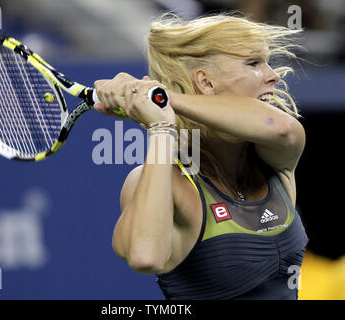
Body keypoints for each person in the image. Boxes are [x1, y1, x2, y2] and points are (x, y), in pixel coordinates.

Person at [93, 12, 308, 300]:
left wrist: (164, 97)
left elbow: (279, 126)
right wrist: (160, 126)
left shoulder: (275, 155)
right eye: (254, 63)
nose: (273, 75)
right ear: (205, 83)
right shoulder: (168, 180)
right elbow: (145, 256)